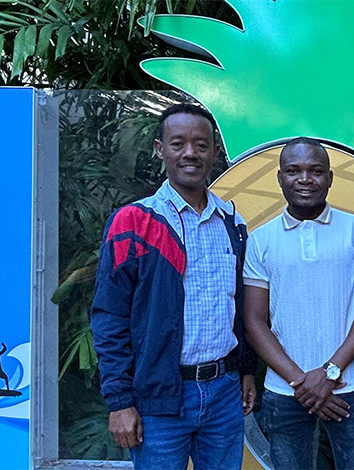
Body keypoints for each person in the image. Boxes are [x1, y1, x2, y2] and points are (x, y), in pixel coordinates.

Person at [89, 103, 259, 470]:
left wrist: (245, 369)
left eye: (201, 145)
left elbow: (240, 306)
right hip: (159, 398)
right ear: (159, 149)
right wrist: (120, 402)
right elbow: (109, 317)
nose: (190, 153)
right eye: (178, 143)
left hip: (223, 392)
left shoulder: (232, 222)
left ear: (215, 152)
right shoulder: (134, 222)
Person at [242, 137, 354, 470]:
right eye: (294, 170)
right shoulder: (261, 239)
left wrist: (329, 374)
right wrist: (301, 383)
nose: (305, 179)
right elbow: (254, 321)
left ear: (330, 178)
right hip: (284, 392)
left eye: (316, 171)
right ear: (279, 178)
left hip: (350, 388)